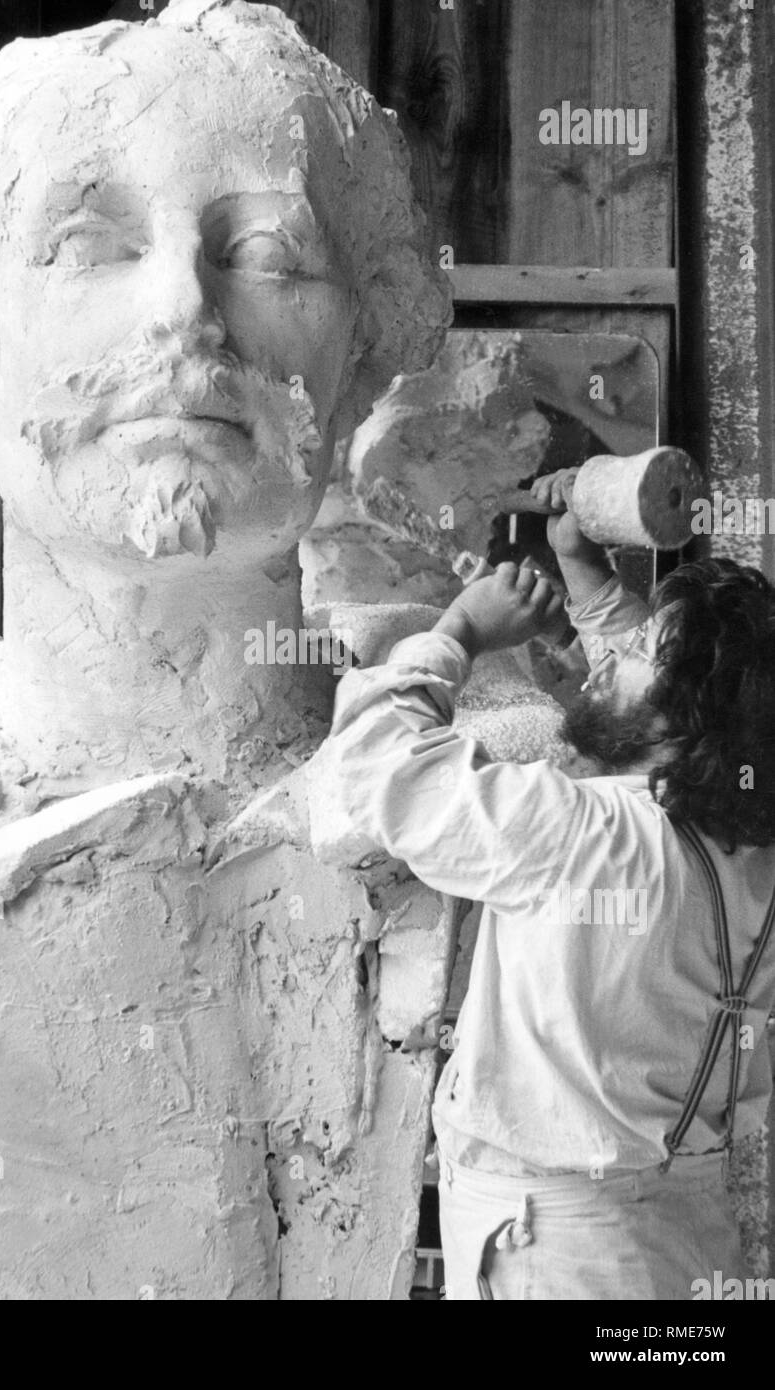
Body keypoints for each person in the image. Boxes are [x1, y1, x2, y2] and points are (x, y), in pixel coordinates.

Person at [326, 465, 775, 1300]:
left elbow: (375, 772)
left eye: (638, 652)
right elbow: (660, 695)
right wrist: (582, 568)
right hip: (676, 1233)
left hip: (557, 1251)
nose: (611, 658)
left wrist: (458, 632)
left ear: (684, 709)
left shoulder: (583, 832)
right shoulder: (745, 832)